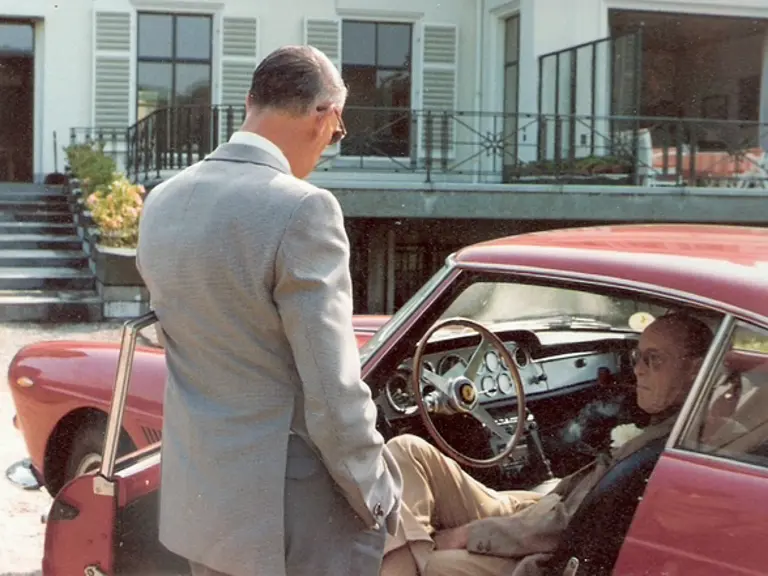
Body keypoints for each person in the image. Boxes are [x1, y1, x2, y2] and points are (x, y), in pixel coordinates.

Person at [136, 45, 402, 576]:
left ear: (250, 102)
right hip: (292, 510)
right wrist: (378, 493)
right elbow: (331, 390)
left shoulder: (163, 200)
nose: (330, 145)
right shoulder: (305, 208)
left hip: (203, 503)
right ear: (327, 115)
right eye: (338, 130)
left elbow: (171, 333)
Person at [380, 312, 714, 576]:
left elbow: (566, 526)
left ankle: (409, 558)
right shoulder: (688, 423)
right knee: (406, 450)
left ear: (695, 370)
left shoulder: (670, 443)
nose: (637, 370)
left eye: (654, 360)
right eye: (636, 356)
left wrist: (466, 535)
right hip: (542, 505)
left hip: (538, 554)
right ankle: (412, 550)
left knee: (428, 561)